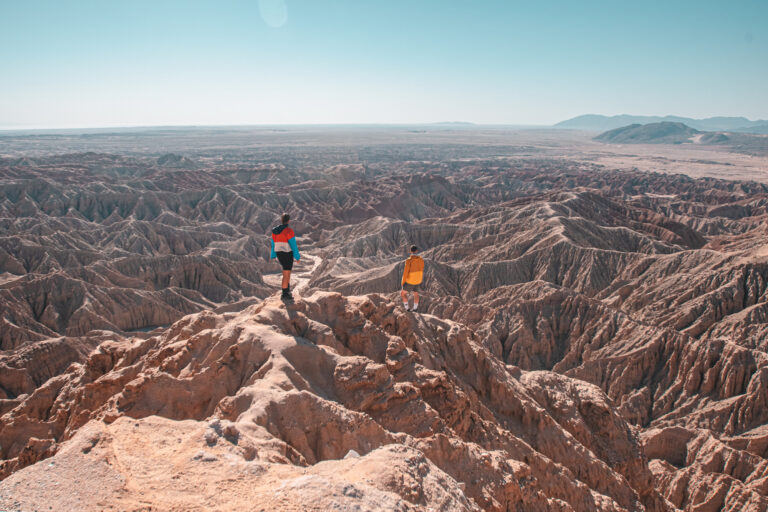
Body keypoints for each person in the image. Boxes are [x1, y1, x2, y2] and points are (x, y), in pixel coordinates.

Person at [270, 213, 301, 301]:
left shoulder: (275, 231)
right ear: (289, 221)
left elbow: (273, 244)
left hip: (279, 253)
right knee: (287, 274)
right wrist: (297, 257)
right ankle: (284, 294)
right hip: (287, 253)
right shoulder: (289, 231)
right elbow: (293, 245)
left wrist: (273, 255)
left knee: (285, 273)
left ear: (281, 220)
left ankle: (287, 290)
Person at [401, 245, 424, 311]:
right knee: (416, 293)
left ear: (410, 251)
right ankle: (415, 308)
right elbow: (422, 268)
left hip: (410, 280)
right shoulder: (421, 260)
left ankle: (407, 308)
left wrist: (403, 282)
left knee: (403, 293)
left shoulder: (409, 260)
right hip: (418, 279)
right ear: (417, 251)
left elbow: (405, 272)